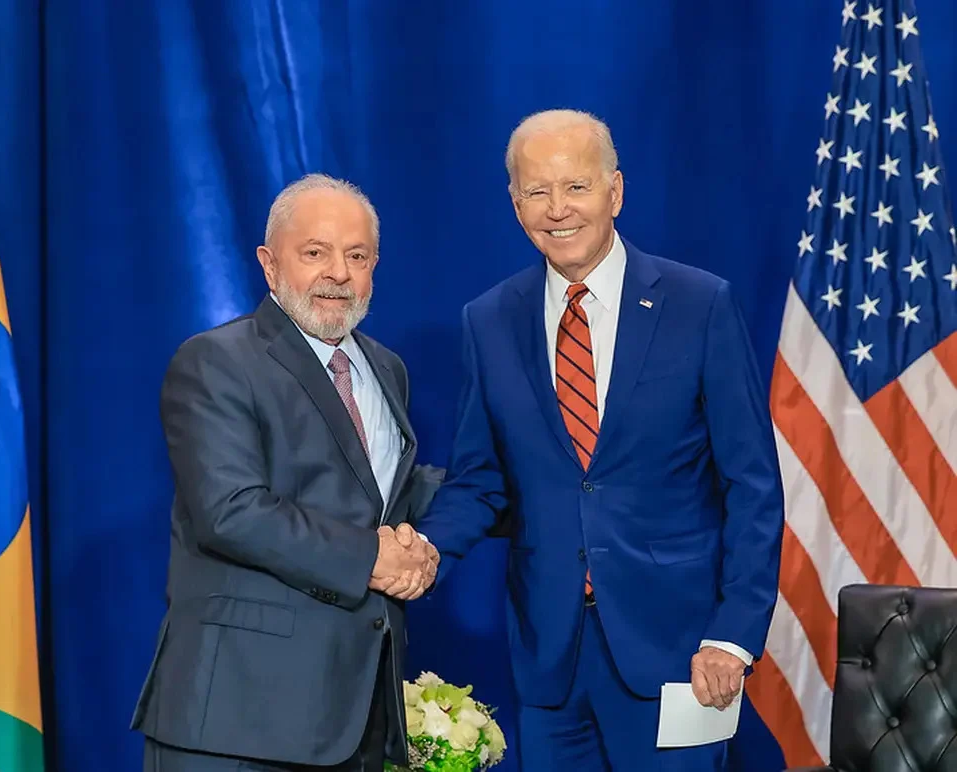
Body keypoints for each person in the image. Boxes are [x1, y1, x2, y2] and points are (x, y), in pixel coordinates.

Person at [416, 110, 784, 770]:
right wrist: (424, 551)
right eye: (537, 191)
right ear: (514, 201)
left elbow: (752, 485)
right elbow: (478, 479)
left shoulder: (700, 305)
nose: (558, 209)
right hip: (549, 658)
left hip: (682, 653)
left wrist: (734, 634)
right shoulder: (489, 320)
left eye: (576, 187)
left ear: (615, 190)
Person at [131, 173, 442, 771]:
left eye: (356, 255)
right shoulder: (216, 360)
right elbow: (231, 510)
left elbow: (379, 493)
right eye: (315, 253)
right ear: (270, 264)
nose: (338, 273)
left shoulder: (385, 367)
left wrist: (501, 499)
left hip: (355, 717)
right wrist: (372, 558)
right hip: (238, 721)